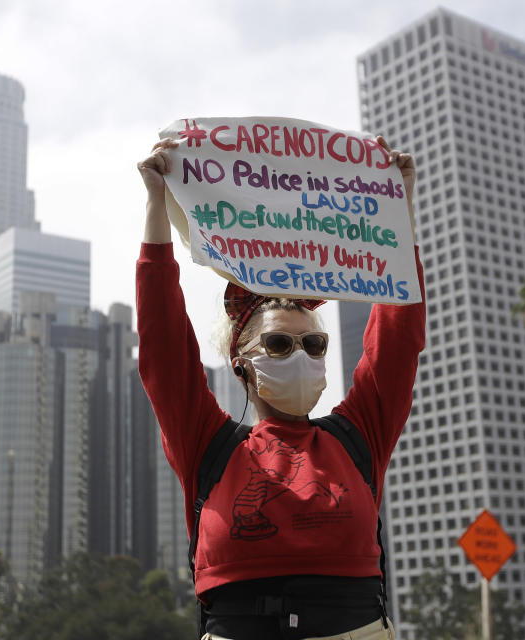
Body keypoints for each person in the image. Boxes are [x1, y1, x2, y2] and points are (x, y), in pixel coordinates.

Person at [136, 135, 425, 640]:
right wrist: (156, 201)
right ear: (240, 362)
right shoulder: (207, 444)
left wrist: (398, 209)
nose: (302, 355)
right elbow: (163, 346)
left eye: (315, 344)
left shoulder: (358, 437)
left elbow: (397, 341)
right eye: (278, 343)